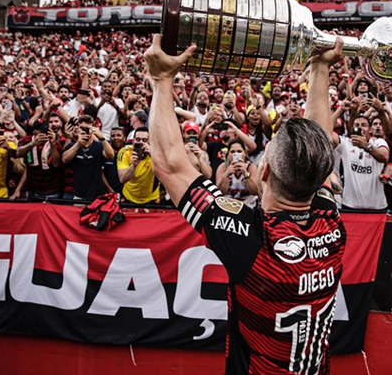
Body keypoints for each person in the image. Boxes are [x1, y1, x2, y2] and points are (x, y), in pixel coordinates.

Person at [144, 34, 346, 375]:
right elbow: (318, 147)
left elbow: (168, 163)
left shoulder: (252, 240)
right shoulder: (331, 223)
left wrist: (162, 79)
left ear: (263, 170)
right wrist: (320, 69)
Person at [333, 114, 389, 209]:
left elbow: (384, 156)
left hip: (377, 208)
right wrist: (341, 109)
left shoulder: (378, 142)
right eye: (357, 125)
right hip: (350, 206)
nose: (360, 128)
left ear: (370, 130)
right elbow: (326, 132)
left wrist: (366, 147)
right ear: (352, 129)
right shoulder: (345, 143)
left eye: (364, 125)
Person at [62, 115, 114, 201]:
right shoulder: (72, 146)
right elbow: (64, 159)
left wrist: (102, 138)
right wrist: (78, 143)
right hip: (79, 194)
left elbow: (110, 155)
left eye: (88, 128)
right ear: (77, 128)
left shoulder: (98, 145)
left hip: (98, 195)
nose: (85, 131)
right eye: (82, 128)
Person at [16, 119, 63, 199]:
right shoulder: (26, 141)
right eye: (38, 129)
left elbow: (56, 164)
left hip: (51, 190)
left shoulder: (55, 144)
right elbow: (18, 153)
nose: (41, 131)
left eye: (44, 129)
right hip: (32, 189)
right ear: (33, 131)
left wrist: (52, 144)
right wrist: (32, 144)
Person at [117, 126, 159, 205]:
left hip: (151, 199)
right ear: (133, 141)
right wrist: (133, 166)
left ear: (149, 142)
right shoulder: (125, 152)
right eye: (138, 139)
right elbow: (122, 179)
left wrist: (153, 156)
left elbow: (165, 173)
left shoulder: (157, 152)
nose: (141, 142)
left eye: (144, 140)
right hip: (129, 198)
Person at [215, 139, 259, 208]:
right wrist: (226, 174)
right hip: (228, 206)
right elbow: (220, 193)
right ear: (228, 154)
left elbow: (255, 191)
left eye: (239, 151)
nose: (236, 154)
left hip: (249, 206)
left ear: (244, 153)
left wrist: (245, 173)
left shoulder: (251, 167)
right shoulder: (222, 168)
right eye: (232, 152)